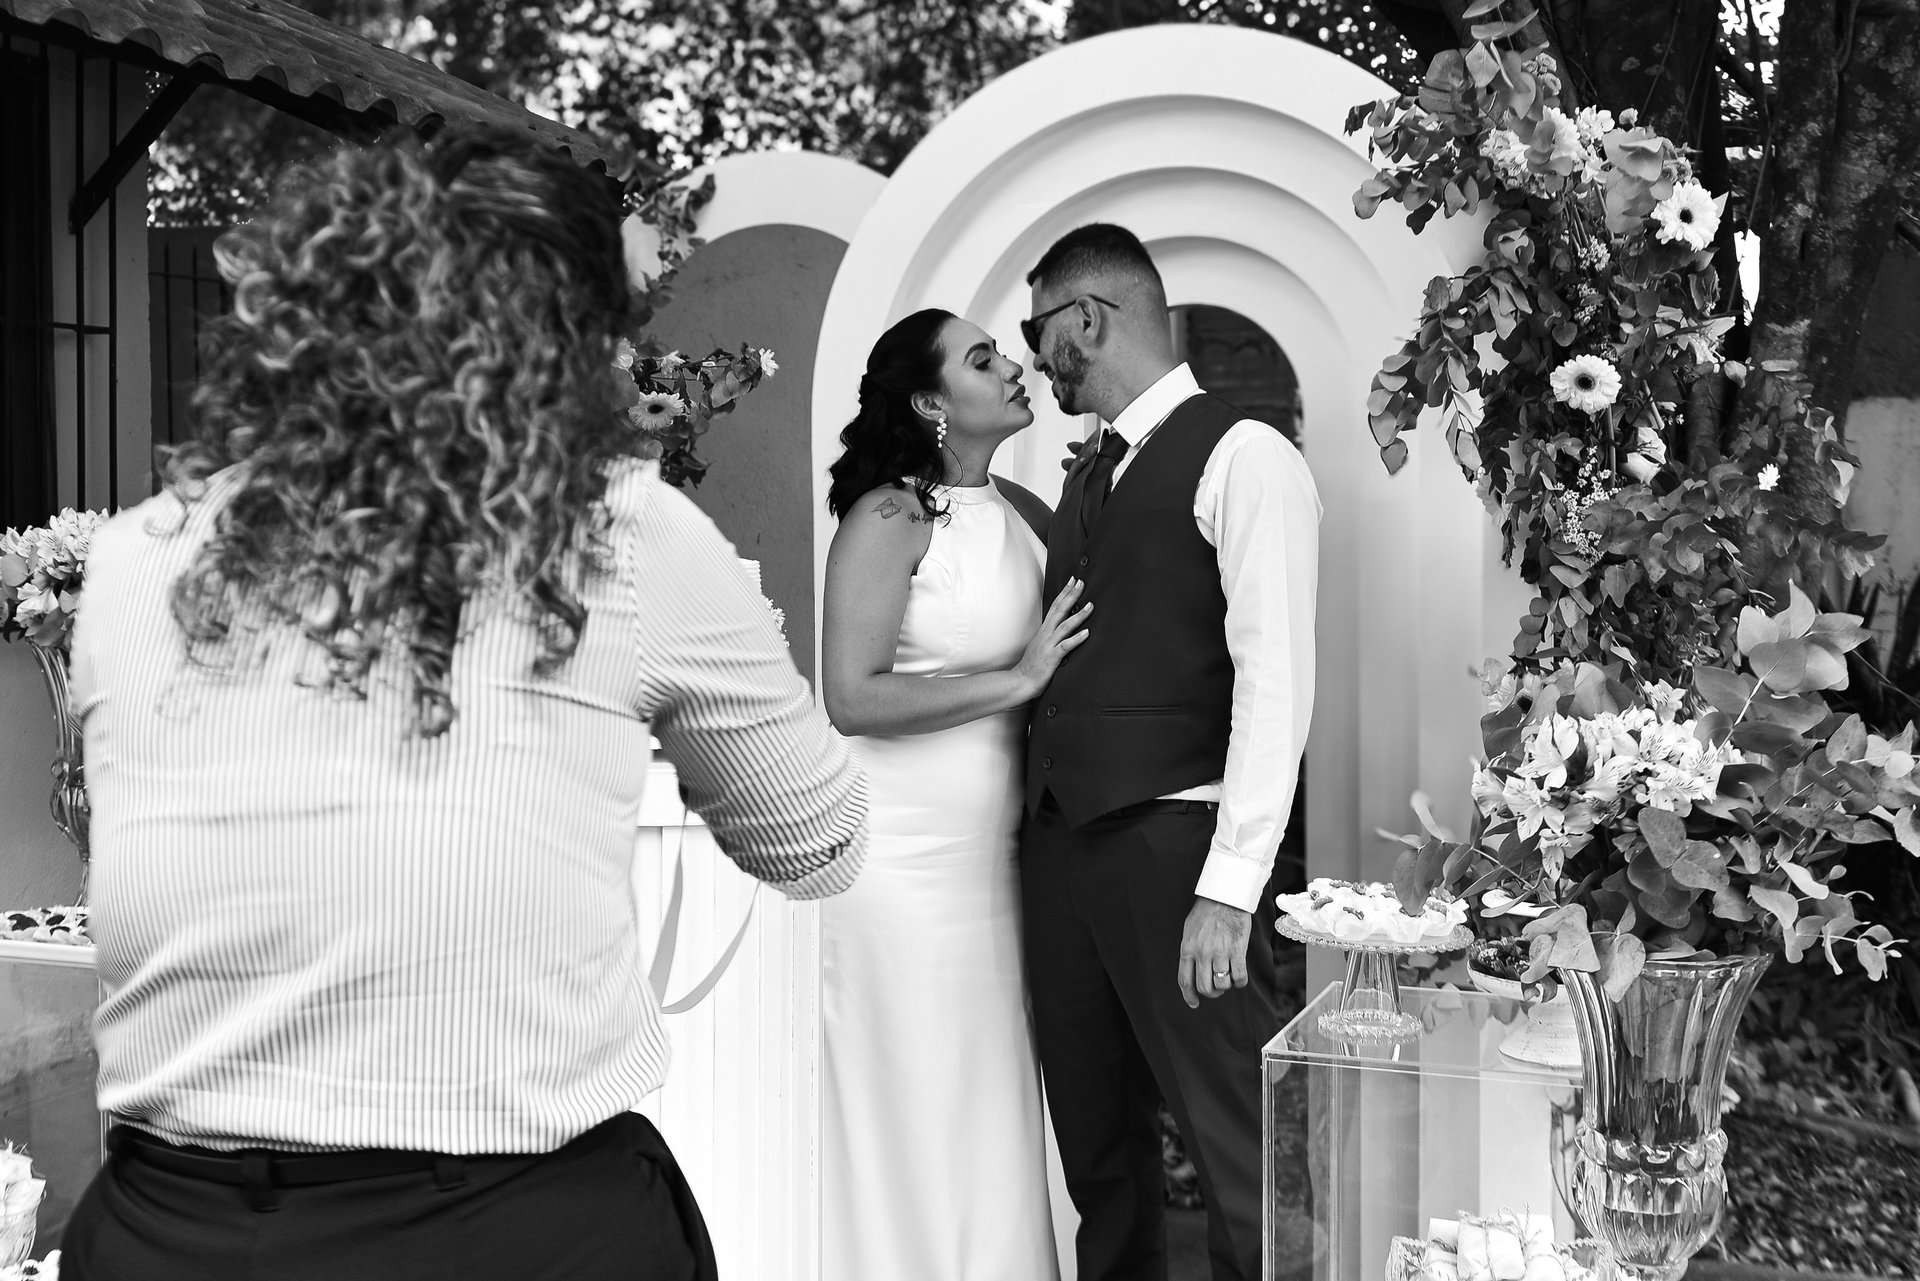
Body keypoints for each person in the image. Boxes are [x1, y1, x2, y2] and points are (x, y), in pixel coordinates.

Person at [63, 126, 867, 1281]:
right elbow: (823, 843)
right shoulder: (615, 534)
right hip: (501, 1233)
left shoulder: (138, 557)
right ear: (566, 343)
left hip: (169, 1233)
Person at [1019, 224, 1321, 1281]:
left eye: (1038, 328)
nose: (1032, 353)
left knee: (1237, 1142)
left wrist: (1230, 890)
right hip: (1063, 853)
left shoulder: (1246, 456)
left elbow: (1275, 684)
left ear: (1087, 321)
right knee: (1098, 1153)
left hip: (1175, 854)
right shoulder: (1087, 472)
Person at [818, 308, 1089, 1281]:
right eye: (983, 358)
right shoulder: (890, 515)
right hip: (896, 868)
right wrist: (1014, 682)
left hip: (995, 868)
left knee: (988, 1102)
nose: (1012, 365)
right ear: (933, 403)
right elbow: (848, 694)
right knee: (917, 1101)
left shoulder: (1024, 513)